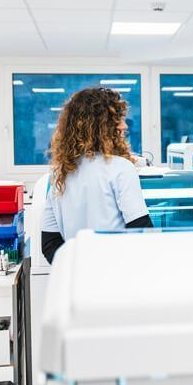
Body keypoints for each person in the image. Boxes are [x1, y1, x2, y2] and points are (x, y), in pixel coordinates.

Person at [41, 87, 152, 263]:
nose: (124, 125)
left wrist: (76, 269)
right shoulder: (122, 168)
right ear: (100, 126)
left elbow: (49, 243)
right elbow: (141, 231)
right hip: (116, 275)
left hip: (78, 280)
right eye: (118, 120)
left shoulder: (59, 173)